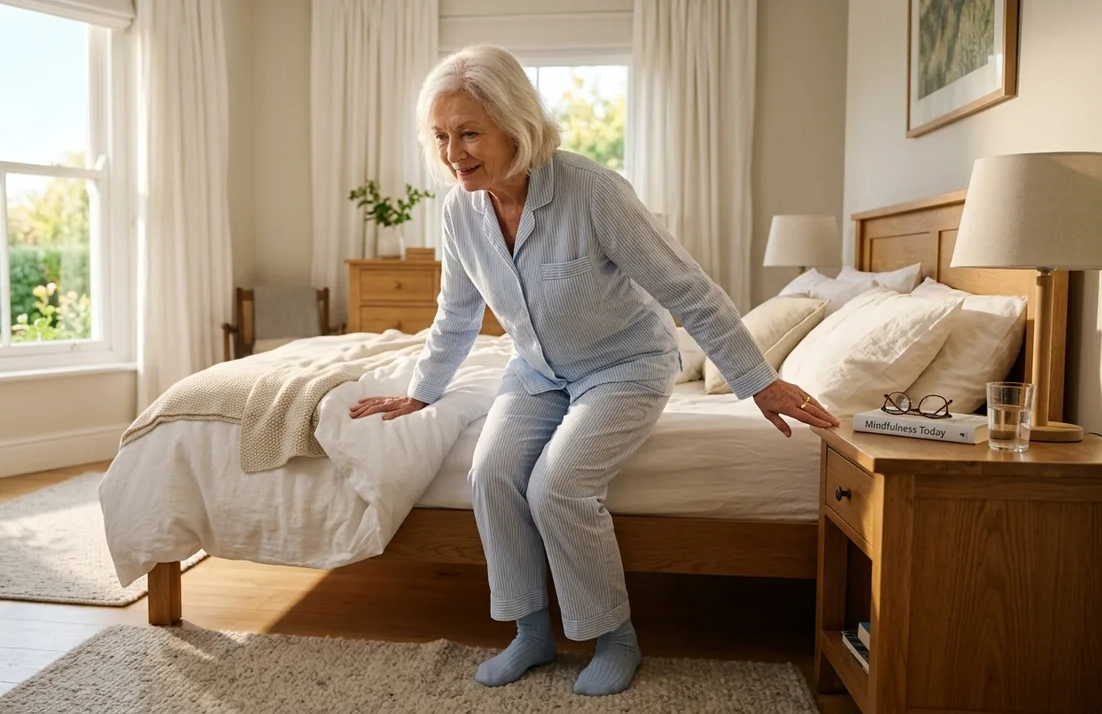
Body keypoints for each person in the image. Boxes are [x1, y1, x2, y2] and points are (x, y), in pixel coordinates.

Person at [349, 44, 838, 697]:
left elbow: (688, 291)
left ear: (515, 126)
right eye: (440, 136)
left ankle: (615, 638)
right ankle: (531, 632)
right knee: (489, 473)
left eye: (469, 133)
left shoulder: (593, 191)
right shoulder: (460, 212)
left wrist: (759, 381)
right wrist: (420, 392)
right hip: (535, 371)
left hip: (625, 364)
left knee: (558, 487)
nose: (452, 153)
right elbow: (456, 317)